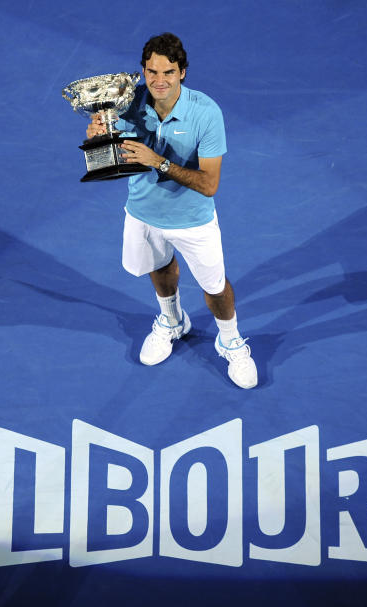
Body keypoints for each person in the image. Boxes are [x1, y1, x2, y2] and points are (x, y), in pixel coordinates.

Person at [86, 32, 257, 389]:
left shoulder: (206, 113)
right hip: (143, 213)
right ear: (143, 71)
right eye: (151, 72)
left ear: (183, 72)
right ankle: (172, 320)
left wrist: (159, 162)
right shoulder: (126, 103)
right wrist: (99, 137)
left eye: (168, 72)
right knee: (159, 268)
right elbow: (114, 160)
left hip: (193, 220)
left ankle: (231, 340)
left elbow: (209, 185)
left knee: (214, 287)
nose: (159, 80)